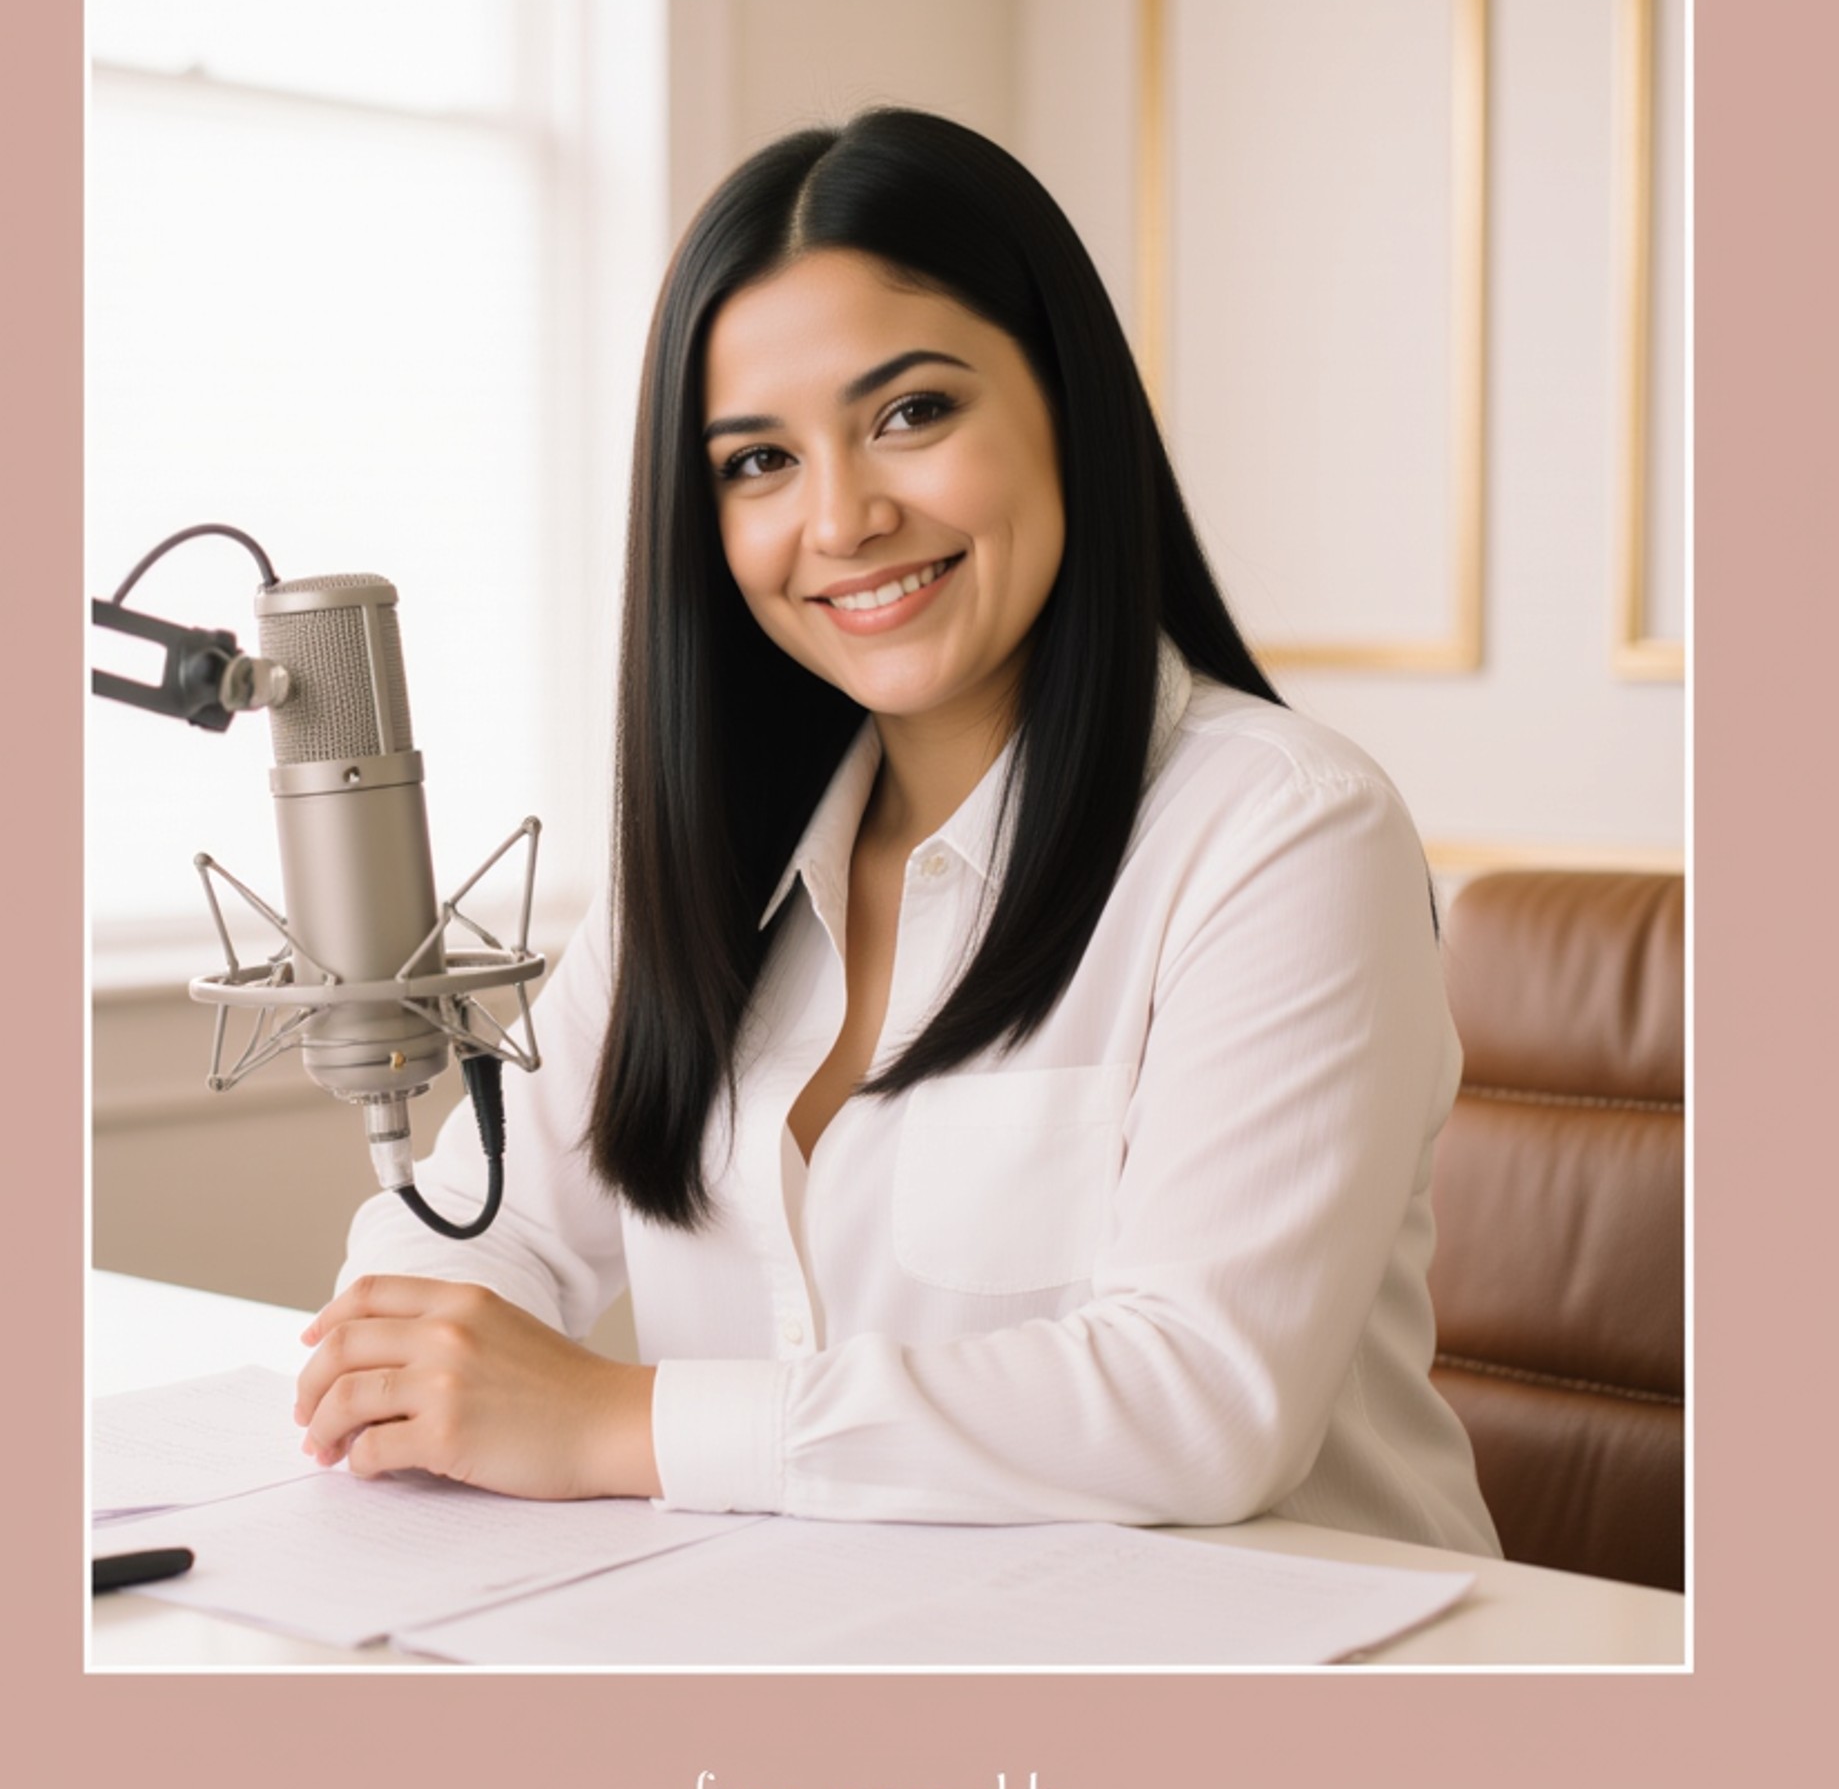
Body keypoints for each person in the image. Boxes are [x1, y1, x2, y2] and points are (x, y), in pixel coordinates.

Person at [294, 108, 1499, 1557]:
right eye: (756, 463)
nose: (844, 518)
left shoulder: (1286, 837)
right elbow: (477, 1240)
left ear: (1066, 403)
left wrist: (614, 1423)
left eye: (912, 414)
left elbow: (1201, 1400)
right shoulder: (709, 874)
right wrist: (424, 1355)